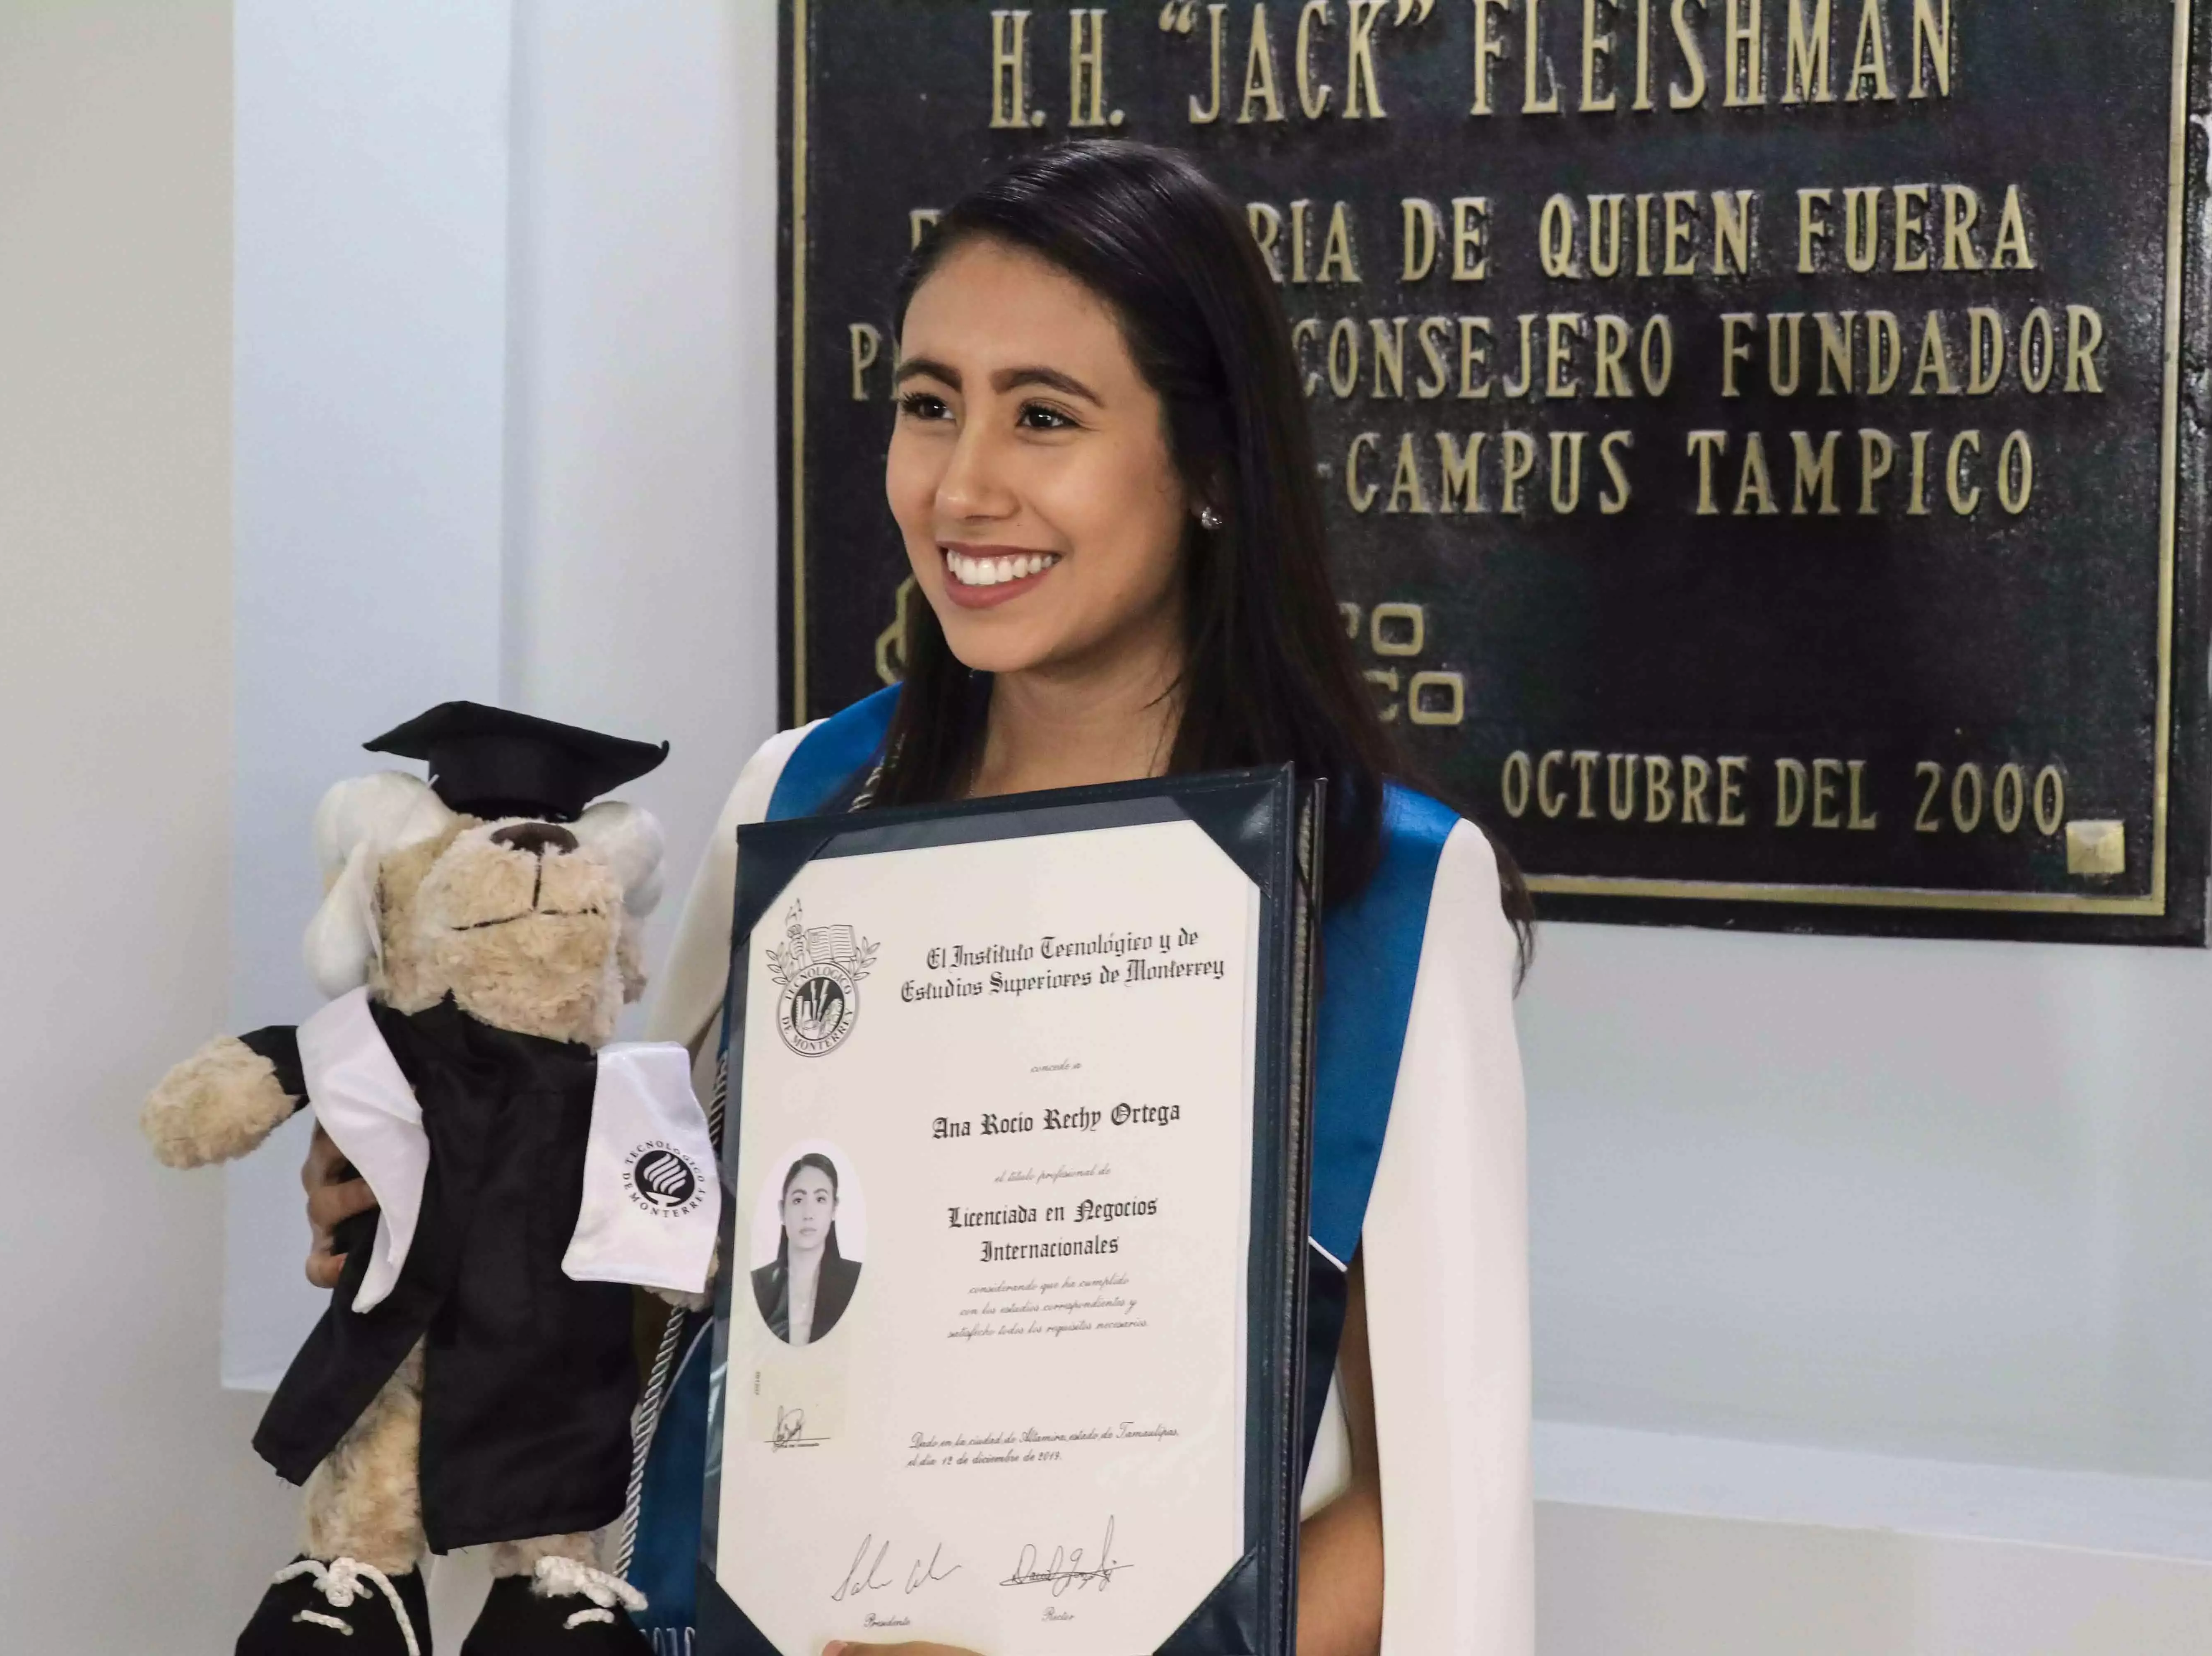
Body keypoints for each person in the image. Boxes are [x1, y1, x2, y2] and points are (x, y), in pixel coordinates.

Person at [308, 139, 1531, 1656]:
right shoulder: (804, 796)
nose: (961, 485)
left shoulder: (1392, 891)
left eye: (1044, 417)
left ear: (1210, 468)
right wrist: (453, 1212)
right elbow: (656, 1291)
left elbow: (1437, 1503)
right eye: (928, 404)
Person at [750, 1153, 859, 1345]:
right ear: (782, 1210)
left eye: (820, 1199)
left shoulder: (857, 1280)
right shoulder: (757, 1284)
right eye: (798, 1200)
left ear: (834, 1209)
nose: (809, 1214)